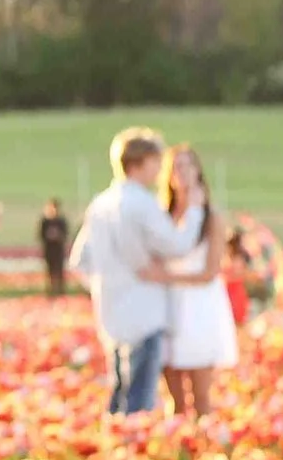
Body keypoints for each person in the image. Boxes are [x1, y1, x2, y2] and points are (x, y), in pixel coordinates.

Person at [68, 127, 207, 415]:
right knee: (139, 397)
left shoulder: (101, 203)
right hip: (143, 310)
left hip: (110, 309)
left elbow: (79, 261)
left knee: (120, 389)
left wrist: (106, 280)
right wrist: (193, 211)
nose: (159, 170)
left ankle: (114, 444)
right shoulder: (141, 203)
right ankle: (129, 452)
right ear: (139, 163)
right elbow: (178, 245)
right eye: (156, 162)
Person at [147, 145, 234, 416]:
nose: (182, 172)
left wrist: (166, 277)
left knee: (201, 398)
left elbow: (210, 272)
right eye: (175, 166)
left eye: (187, 165)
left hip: (199, 307)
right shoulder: (162, 215)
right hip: (168, 306)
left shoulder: (212, 218)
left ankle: (203, 451)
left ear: (198, 171)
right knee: (175, 399)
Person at [37, 200, 72, 298]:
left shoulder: (61, 221)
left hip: (58, 250)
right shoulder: (45, 221)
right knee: (49, 271)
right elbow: (41, 235)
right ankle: (50, 290)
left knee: (59, 270)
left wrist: (58, 236)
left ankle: (60, 290)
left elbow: (65, 234)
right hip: (49, 249)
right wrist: (49, 236)